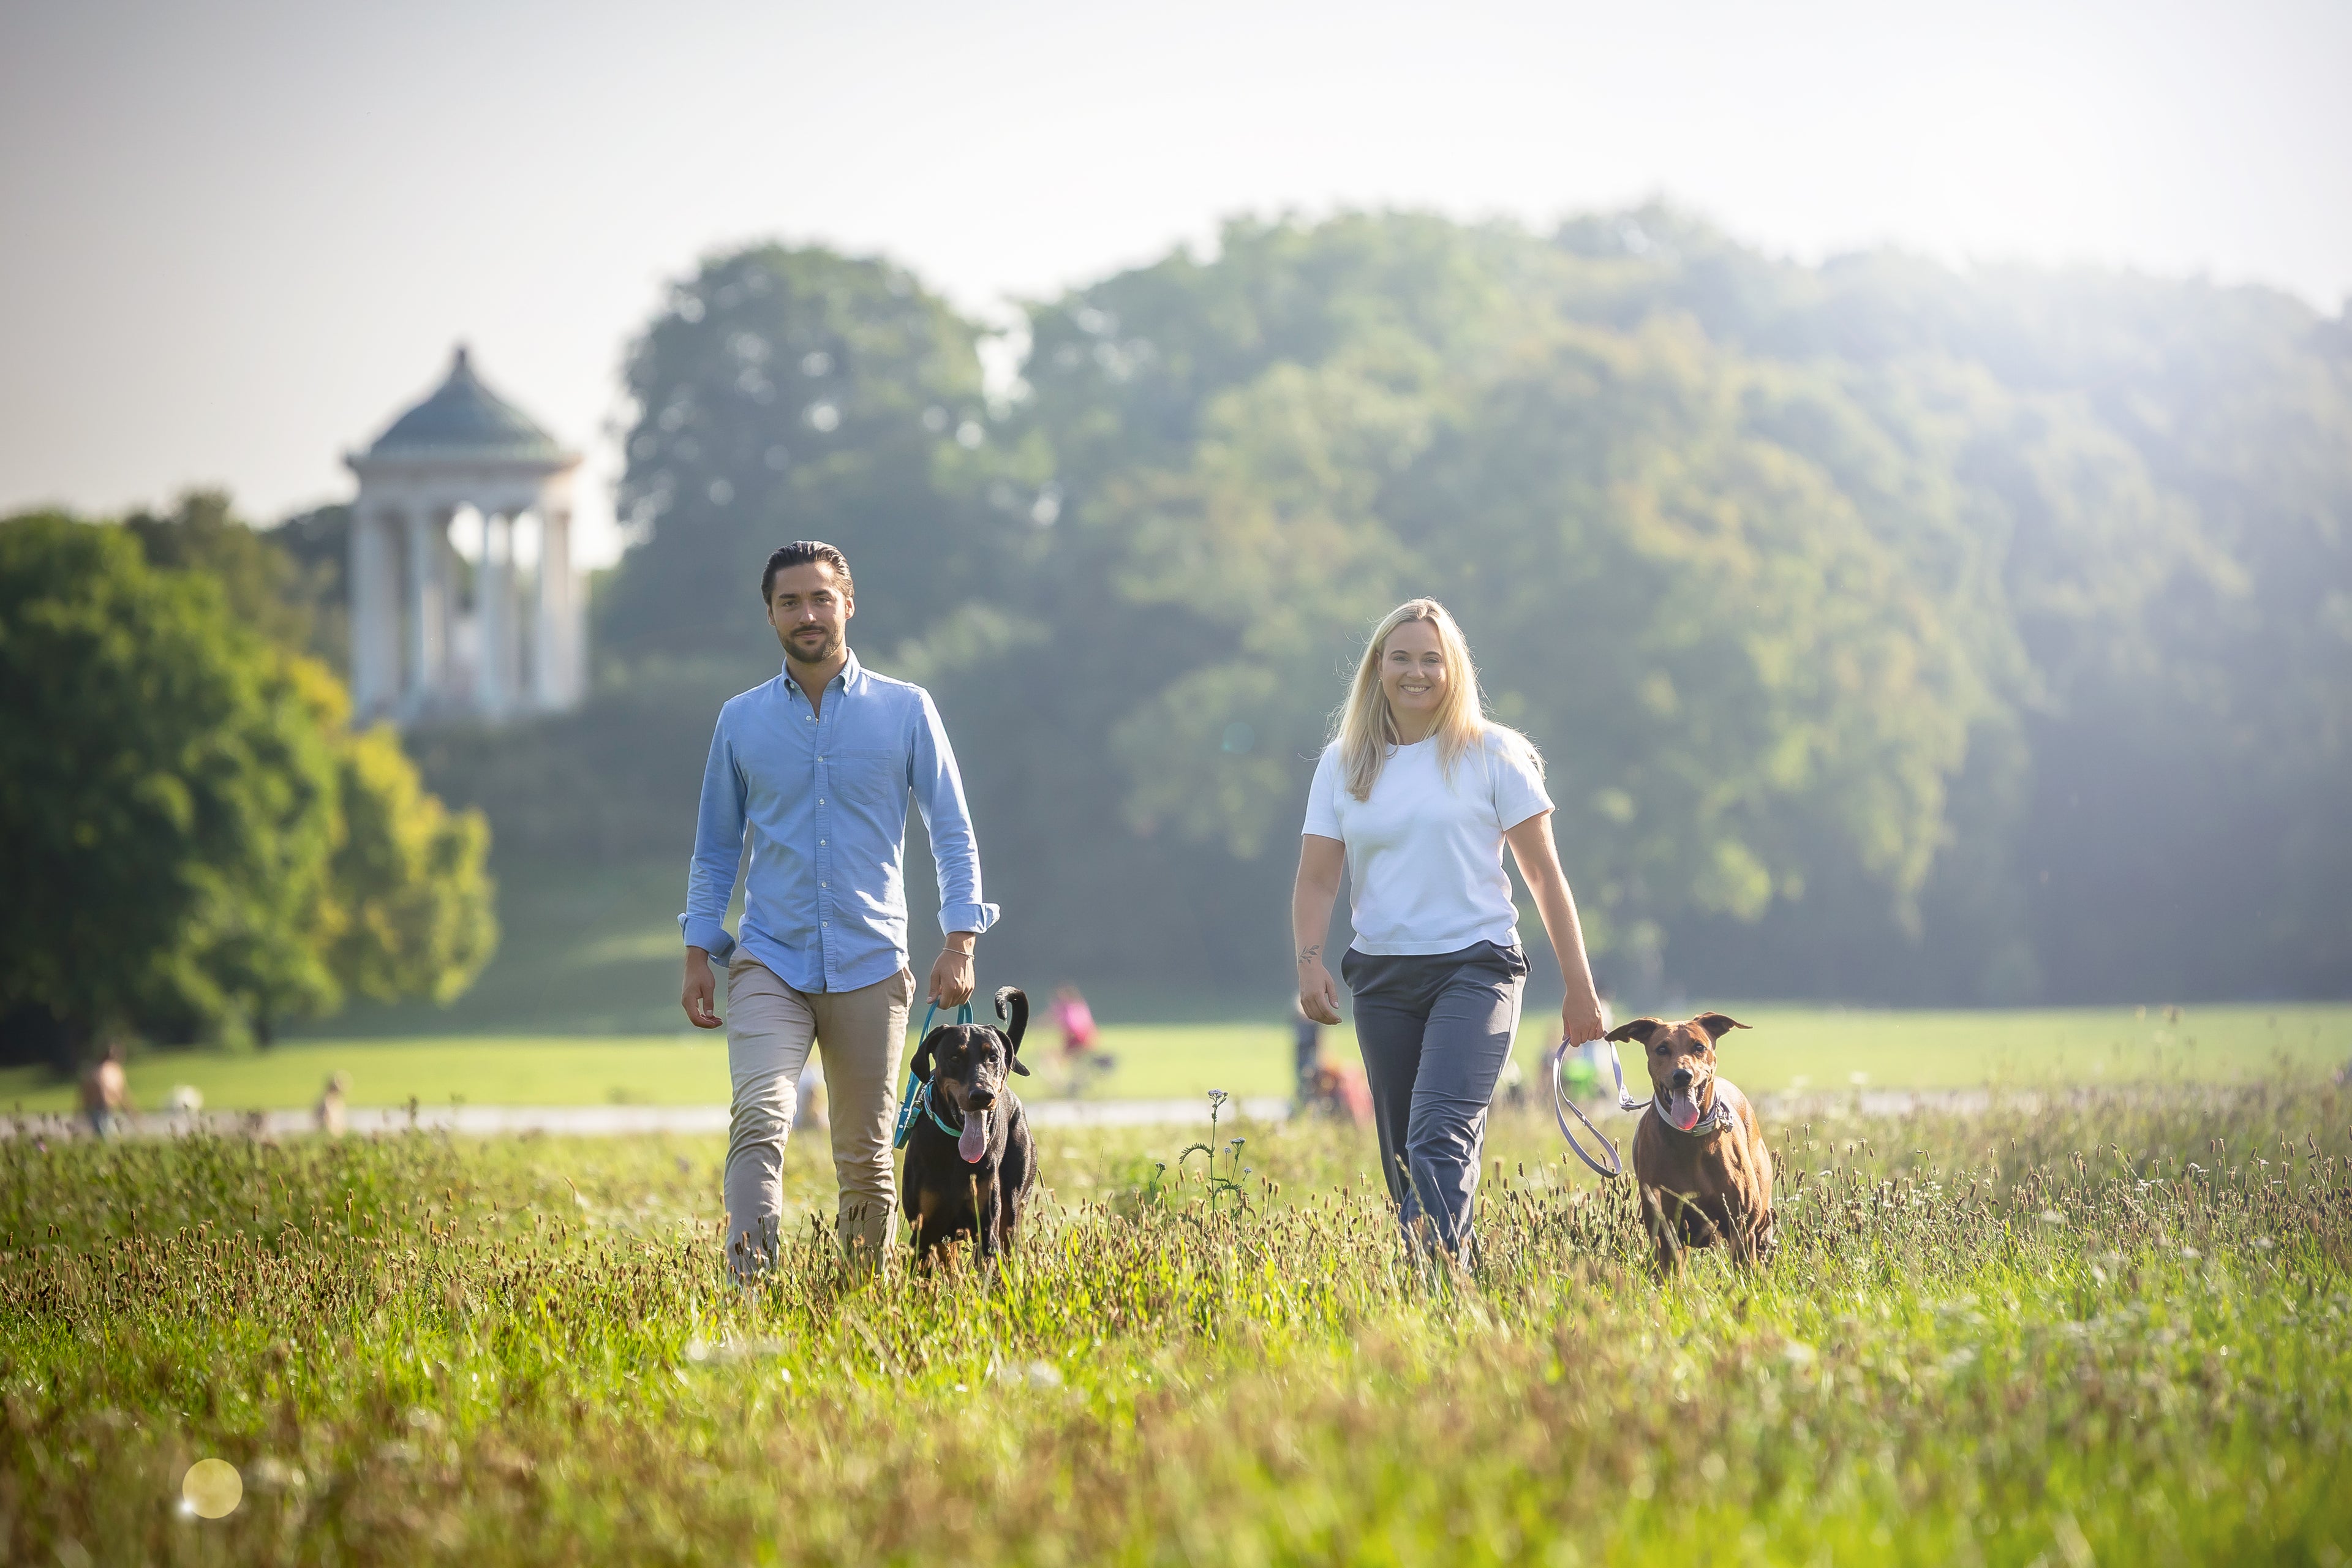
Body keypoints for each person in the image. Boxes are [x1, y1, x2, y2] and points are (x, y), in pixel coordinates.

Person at [680, 540, 998, 1280]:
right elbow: (716, 847)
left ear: (848, 604)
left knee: (864, 1156)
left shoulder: (906, 709)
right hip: (770, 959)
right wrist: (700, 950)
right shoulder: (740, 721)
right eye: (790, 602)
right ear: (770, 616)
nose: (808, 614)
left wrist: (961, 939)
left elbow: (951, 830)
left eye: (821, 598)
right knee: (760, 1118)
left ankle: (855, 1306)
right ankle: (748, 1294)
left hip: (869, 963)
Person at [1292, 598, 1607, 1261]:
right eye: (1401, 657)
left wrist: (1581, 989)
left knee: (1440, 1133)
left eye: (1431, 659)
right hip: (1381, 977)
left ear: (1453, 667)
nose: (1416, 672)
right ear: (1378, 667)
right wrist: (1309, 961)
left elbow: (1545, 877)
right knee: (1406, 1156)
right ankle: (1455, 1288)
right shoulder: (1343, 762)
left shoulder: (1492, 754)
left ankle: (1437, 1285)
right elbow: (1318, 878)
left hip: (1478, 970)